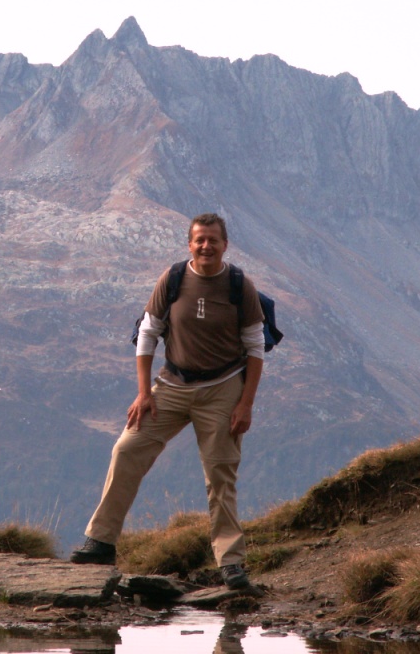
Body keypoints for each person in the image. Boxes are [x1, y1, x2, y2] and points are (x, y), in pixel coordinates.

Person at [71, 212, 265, 590]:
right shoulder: (173, 278)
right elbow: (148, 334)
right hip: (172, 386)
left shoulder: (239, 286)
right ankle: (101, 542)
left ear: (225, 245)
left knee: (220, 474)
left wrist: (245, 404)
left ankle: (230, 563)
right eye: (199, 240)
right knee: (127, 449)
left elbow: (256, 348)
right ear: (189, 244)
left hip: (223, 389)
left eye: (213, 240)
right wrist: (144, 393)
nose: (206, 246)